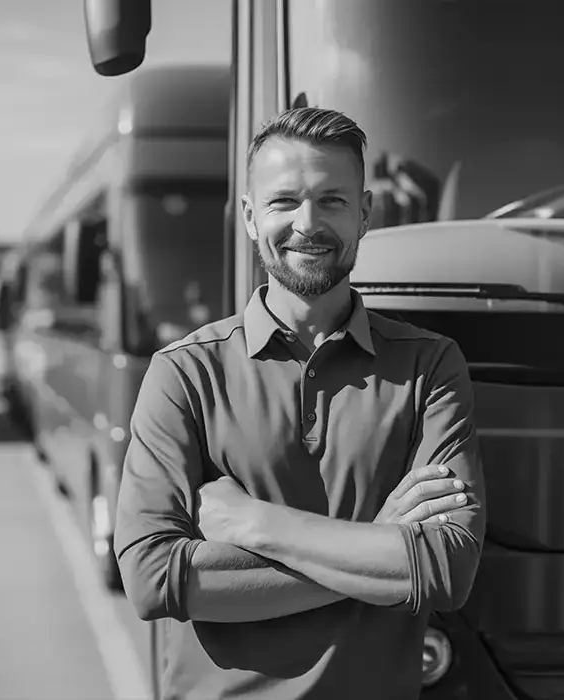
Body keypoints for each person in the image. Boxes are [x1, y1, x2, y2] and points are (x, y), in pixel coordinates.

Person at [114, 106, 486, 700]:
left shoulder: (430, 366)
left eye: (332, 200)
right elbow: (154, 578)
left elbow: (445, 569)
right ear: (248, 215)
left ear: (365, 214)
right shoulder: (184, 373)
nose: (307, 224)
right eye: (284, 201)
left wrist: (257, 525)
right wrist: (381, 546)